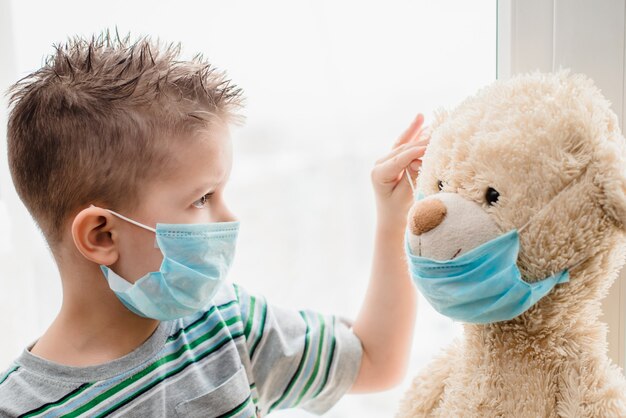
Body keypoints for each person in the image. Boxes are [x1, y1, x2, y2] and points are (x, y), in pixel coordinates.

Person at [0, 31, 428, 417]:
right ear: (101, 235)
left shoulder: (227, 323)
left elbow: (373, 360)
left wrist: (395, 217)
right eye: (203, 197)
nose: (229, 218)